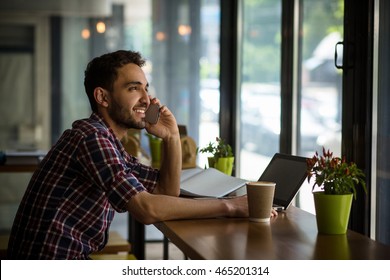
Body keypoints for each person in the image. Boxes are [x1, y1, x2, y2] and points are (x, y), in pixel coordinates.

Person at [7, 50, 277, 259]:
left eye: (146, 88)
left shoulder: (108, 142)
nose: (147, 100)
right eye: (134, 88)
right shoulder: (91, 137)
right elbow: (147, 209)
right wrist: (230, 206)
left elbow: (164, 193)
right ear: (103, 97)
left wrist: (171, 137)